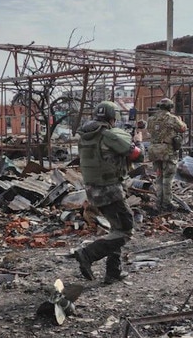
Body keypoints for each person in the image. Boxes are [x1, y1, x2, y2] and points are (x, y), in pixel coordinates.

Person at [74, 101, 141, 284]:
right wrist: (136, 141)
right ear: (112, 118)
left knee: (115, 228)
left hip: (93, 190)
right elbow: (136, 154)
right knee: (126, 230)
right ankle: (87, 254)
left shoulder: (85, 136)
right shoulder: (108, 136)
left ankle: (113, 272)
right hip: (110, 189)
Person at [146, 98, 188, 211]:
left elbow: (149, 131)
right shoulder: (172, 118)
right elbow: (183, 128)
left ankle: (158, 202)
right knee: (168, 178)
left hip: (154, 151)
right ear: (170, 107)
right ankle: (167, 203)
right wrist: (180, 120)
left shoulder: (151, 119)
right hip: (167, 151)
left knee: (159, 177)